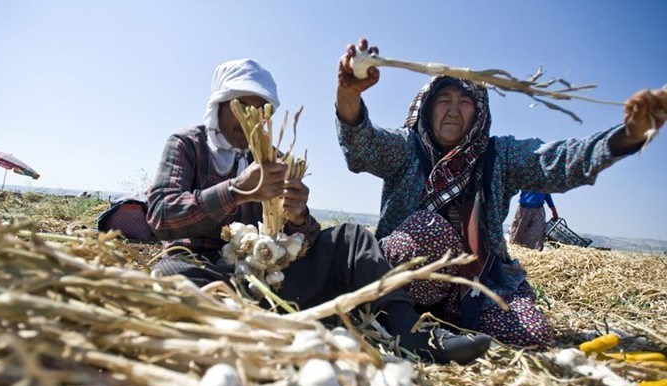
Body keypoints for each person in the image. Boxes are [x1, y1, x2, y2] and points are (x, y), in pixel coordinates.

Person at [145, 58, 492, 364]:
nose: (248, 120)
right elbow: (160, 216)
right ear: (219, 105)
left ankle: (410, 332)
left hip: (272, 280)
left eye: (260, 109)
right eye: (240, 106)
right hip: (214, 276)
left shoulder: (274, 160)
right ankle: (273, 324)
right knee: (171, 273)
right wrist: (235, 191)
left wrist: (298, 218)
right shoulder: (188, 144)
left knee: (352, 238)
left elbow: (304, 242)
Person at [336, 39, 666, 349]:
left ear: (479, 112)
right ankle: (396, 314)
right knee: (430, 230)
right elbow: (362, 147)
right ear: (426, 108)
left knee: (533, 335)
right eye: (443, 100)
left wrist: (628, 135)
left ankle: (448, 323)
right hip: (404, 278)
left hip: (470, 286)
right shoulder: (407, 149)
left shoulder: (499, 156)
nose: (453, 110)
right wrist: (348, 94)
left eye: (465, 101)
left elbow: (561, 160)